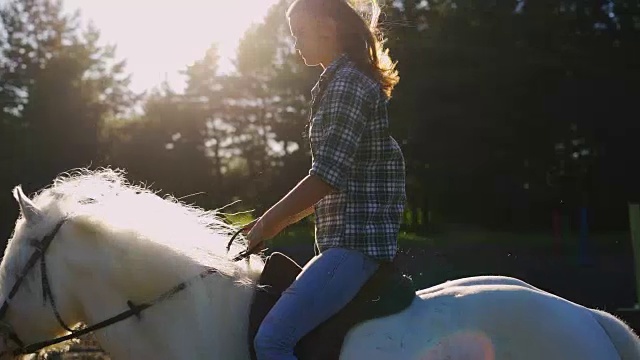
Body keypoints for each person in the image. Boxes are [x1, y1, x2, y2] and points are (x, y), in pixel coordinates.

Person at [243, 0, 406, 358]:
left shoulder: (347, 84)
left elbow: (324, 179)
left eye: (299, 33)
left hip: (354, 246)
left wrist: (268, 224)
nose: (296, 44)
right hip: (343, 245)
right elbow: (325, 184)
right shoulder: (338, 82)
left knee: (272, 341)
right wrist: (267, 222)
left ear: (327, 27)